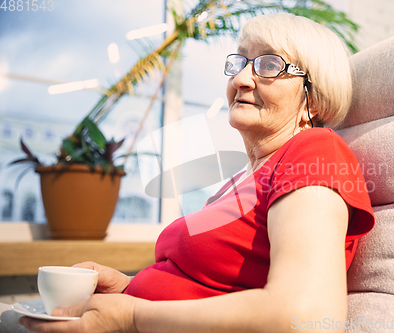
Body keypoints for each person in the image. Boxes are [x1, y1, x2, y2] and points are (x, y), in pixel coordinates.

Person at [20, 12, 375, 333]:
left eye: (269, 65)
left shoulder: (315, 152)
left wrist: (130, 317)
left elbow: (307, 316)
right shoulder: (241, 180)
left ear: (312, 100)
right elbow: (204, 283)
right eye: (240, 62)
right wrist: (128, 287)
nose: (242, 79)